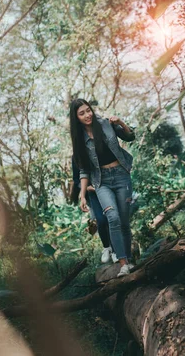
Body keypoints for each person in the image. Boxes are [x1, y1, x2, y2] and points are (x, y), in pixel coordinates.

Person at [69, 98, 136, 277]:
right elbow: (84, 170)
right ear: (76, 118)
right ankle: (122, 264)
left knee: (123, 222)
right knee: (112, 218)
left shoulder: (106, 124)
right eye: (81, 113)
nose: (87, 115)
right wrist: (82, 195)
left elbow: (130, 136)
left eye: (88, 110)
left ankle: (128, 261)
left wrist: (120, 122)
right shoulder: (79, 140)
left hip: (121, 176)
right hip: (101, 181)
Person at [71, 156, 117, 264]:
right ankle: (107, 247)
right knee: (101, 220)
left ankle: (116, 251)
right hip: (92, 194)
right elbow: (76, 180)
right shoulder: (76, 157)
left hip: (107, 189)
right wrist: (87, 188)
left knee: (110, 218)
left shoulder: (99, 148)